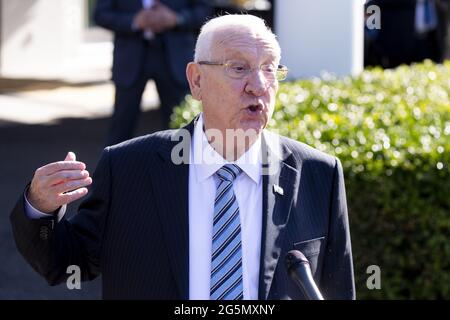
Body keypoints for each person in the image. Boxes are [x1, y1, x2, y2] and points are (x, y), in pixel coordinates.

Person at [10, 15, 355, 300]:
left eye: (270, 69)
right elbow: (68, 262)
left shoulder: (317, 174)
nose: (258, 85)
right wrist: (40, 207)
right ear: (196, 80)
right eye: (239, 68)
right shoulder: (130, 168)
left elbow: (337, 289)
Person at [94, 0, 212, 145]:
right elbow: (100, 14)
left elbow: (204, 11)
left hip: (175, 58)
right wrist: (134, 21)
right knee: (121, 126)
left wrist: (177, 18)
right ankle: (113, 167)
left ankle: (184, 167)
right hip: (130, 59)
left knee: (183, 129)